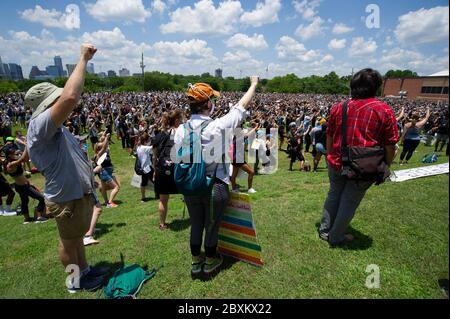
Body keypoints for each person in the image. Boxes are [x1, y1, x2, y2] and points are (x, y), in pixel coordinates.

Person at [26, 44, 108, 292]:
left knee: (77, 240)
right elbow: (71, 97)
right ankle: (74, 282)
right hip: (64, 197)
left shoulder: (53, 128)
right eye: (55, 99)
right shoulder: (40, 125)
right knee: (68, 242)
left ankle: (84, 271)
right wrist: (83, 59)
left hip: (74, 192)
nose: (62, 102)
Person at [174, 77, 259, 277]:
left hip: (190, 186)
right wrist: (253, 84)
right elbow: (241, 106)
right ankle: (210, 261)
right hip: (215, 186)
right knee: (211, 226)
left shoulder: (180, 130)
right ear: (208, 104)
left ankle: (196, 263)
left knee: (196, 224)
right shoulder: (217, 126)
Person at [318, 68, 399, 246]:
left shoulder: (339, 107)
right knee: (349, 200)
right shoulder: (384, 110)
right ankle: (336, 236)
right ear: (376, 88)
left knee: (334, 195)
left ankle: (325, 230)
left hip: (337, 161)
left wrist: (330, 155)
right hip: (365, 165)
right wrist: (387, 164)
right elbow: (390, 144)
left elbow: (329, 135)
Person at [152, 110, 183, 230]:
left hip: (161, 168)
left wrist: (155, 170)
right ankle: (195, 219)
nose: (182, 121)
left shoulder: (161, 134)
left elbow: (154, 155)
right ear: (176, 120)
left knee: (163, 199)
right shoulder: (182, 133)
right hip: (177, 167)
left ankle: (162, 224)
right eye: (181, 119)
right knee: (188, 193)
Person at [3, 146, 47, 224]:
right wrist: (26, 146)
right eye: (13, 152)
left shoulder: (13, 160)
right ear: (9, 155)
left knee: (25, 201)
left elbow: (25, 159)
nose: (15, 152)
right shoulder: (10, 164)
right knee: (41, 198)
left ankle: (27, 219)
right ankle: (39, 217)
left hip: (22, 186)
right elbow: (23, 159)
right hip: (23, 187)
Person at [230, 123, 259, 193]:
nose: (242, 131)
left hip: (235, 159)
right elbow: (247, 135)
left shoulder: (234, 137)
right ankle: (250, 189)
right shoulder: (238, 138)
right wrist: (255, 128)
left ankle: (234, 189)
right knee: (251, 172)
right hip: (238, 159)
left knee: (234, 175)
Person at [94, 132, 120, 208]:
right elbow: (104, 146)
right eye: (101, 146)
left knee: (103, 188)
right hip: (104, 173)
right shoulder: (99, 154)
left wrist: (105, 137)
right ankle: (110, 203)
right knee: (116, 187)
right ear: (99, 148)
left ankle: (106, 202)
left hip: (105, 172)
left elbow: (105, 146)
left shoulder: (103, 153)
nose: (103, 146)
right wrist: (106, 137)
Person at [136, 132, 154, 202]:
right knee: (154, 180)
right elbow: (155, 147)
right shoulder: (146, 148)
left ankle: (143, 197)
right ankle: (159, 194)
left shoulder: (139, 148)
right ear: (146, 141)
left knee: (143, 183)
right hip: (148, 167)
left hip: (143, 168)